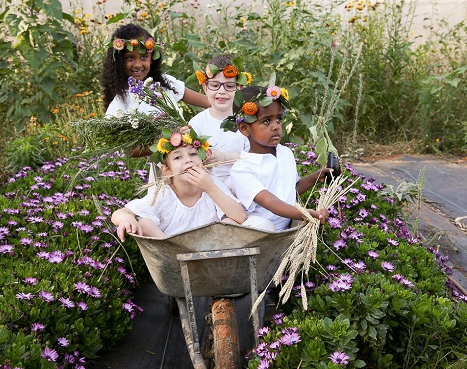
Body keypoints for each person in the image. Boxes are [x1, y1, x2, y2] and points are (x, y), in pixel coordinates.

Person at [111, 129, 247, 241]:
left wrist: (209, 188)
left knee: (230, 223)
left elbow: (240, 217)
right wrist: (127, 219)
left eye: (193, 154)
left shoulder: (212, 184)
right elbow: (120, 213)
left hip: (210, 251)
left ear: (203, 162)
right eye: (178, 157)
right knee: (144, 223)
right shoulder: (165, 194)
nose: (188, 160)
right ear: (166, 170)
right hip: (174, 254)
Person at [229, 85, 332, 231]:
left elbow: (290, 191)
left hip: (285, 227)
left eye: (278, 119)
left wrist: (316, 177)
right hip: (259, 234)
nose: (276, 126)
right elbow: (271, 202)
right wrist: (304, 213)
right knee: (265, 226)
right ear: (245, 128)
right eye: (266, 121)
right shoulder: (242, 169)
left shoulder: (285, 153)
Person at [101, 23, 210, 119]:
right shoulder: (119, 104)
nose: (138, 65)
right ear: (119, 62)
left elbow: (209, 102)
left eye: (144, 57)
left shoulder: (165, 83)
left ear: (152, 58)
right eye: (130, 58)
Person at [187, 54, 251, 185]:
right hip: (206, 187)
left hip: (243, 185)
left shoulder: (248, 122)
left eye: (229, 86)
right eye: (215, 85)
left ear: (240, 88)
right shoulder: (197, 123)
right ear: (205, 88)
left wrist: (223, 157)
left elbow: (257, 159)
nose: (222, 91)